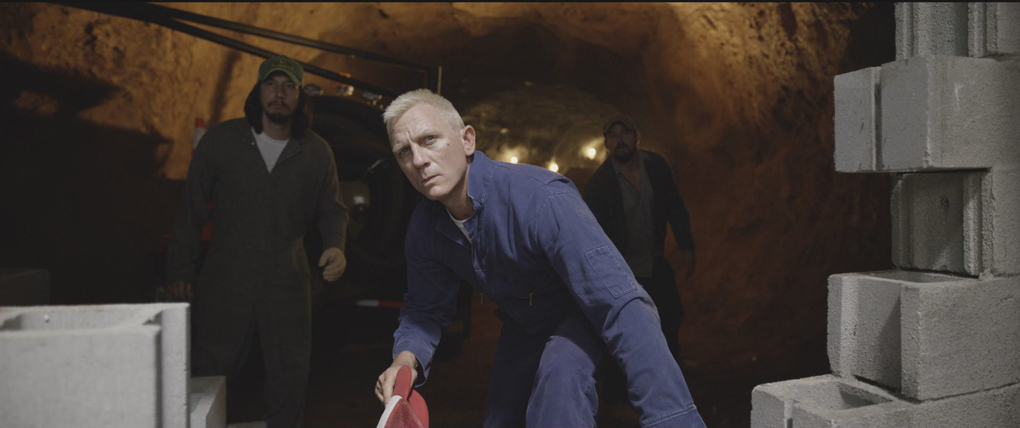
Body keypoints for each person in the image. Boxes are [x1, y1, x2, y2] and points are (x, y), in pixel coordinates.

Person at [373, 89, 704, 428]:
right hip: (524, 324)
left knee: (559, 382)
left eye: (429, 140)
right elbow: (425, 308)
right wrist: (405, 359)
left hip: (581, 313)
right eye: (404, 151)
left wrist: (674, 419)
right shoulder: (425, 226)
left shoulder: (542, 199)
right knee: (502, 419)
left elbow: (621, 303)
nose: (418, 160)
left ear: (467, 140)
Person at [165, 55, 349, 428]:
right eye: (271, 84)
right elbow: (191, 208)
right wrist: (181, 267)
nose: (279, 93)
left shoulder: (315, 151)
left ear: (300, 96)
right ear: (258, 91)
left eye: (289, 86)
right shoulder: (222, 142)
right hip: (226, 271)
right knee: (209, 365)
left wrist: (336, 245)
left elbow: (333, 209)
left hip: (288, 275)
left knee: (289, 370)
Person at [583, 113, 695, 364]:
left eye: (625, 133)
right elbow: (592, 233)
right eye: (613, 136)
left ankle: (669, 370)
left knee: (670, 314)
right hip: (623, 268)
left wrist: (686, 244)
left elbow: (674, 206)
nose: (620, 140)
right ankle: (623, 380)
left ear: (637, 137)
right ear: (606, 144)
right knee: (625, 327)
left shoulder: (656, 166)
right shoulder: (599, 184)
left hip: (655, 260)